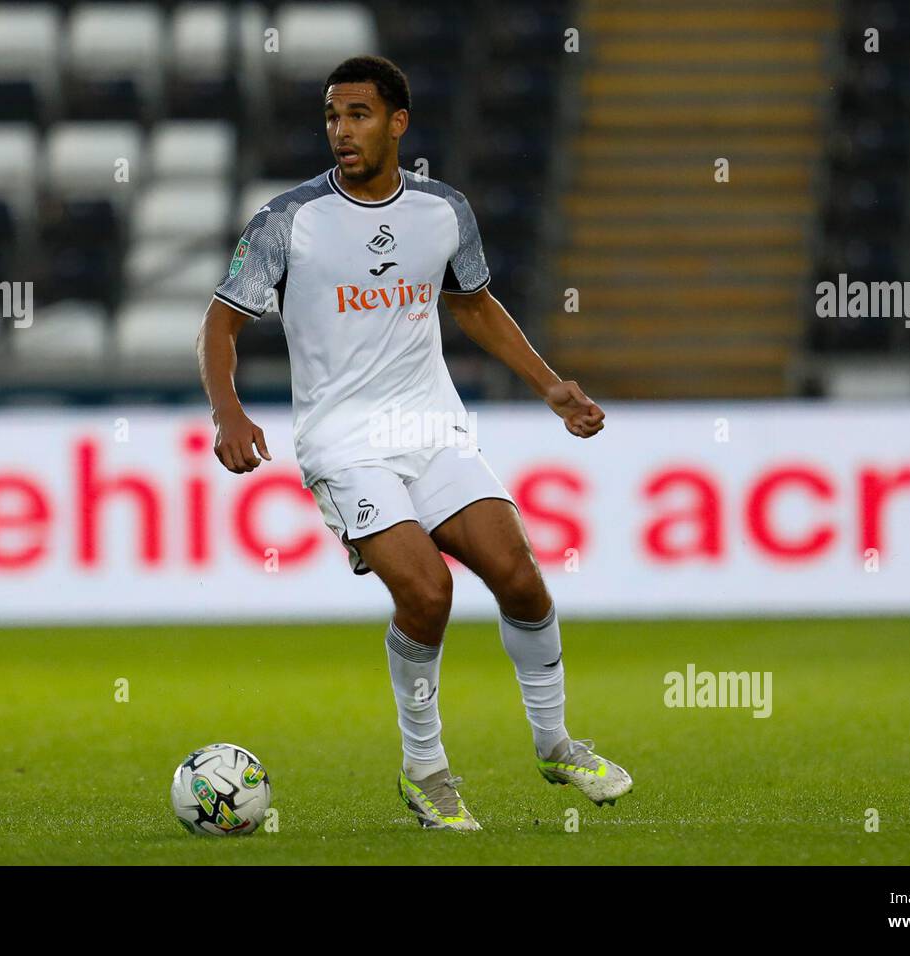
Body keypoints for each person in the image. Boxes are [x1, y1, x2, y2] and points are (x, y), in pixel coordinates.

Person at [198, 55, 631, 830]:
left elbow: (474, 304)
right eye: (332, 116)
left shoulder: (443, 211)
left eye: (358, 114)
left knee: (521, 578)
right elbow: (221, 321)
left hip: (432, 427)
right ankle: (426, 771)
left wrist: (550, 385)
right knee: (428, 592)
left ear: (398, 122)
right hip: (343, 441)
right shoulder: (286, 220)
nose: (341, 131)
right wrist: (227, 410)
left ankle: (557, 742)